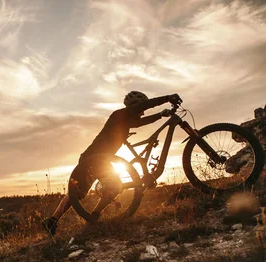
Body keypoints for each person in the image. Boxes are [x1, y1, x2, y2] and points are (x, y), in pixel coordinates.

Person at [43, 91, 183, 235]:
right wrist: (167, 98)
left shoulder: (125, 122)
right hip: (95, 158)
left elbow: (142, 122)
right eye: (141, 110)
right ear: (134, 106)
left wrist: (161, 114)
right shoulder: (119, 115)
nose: (142, 113)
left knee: (79, 193)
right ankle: (93, 216)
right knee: (109, 186)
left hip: (96, 159)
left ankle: (54, 220)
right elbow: (145, 106)